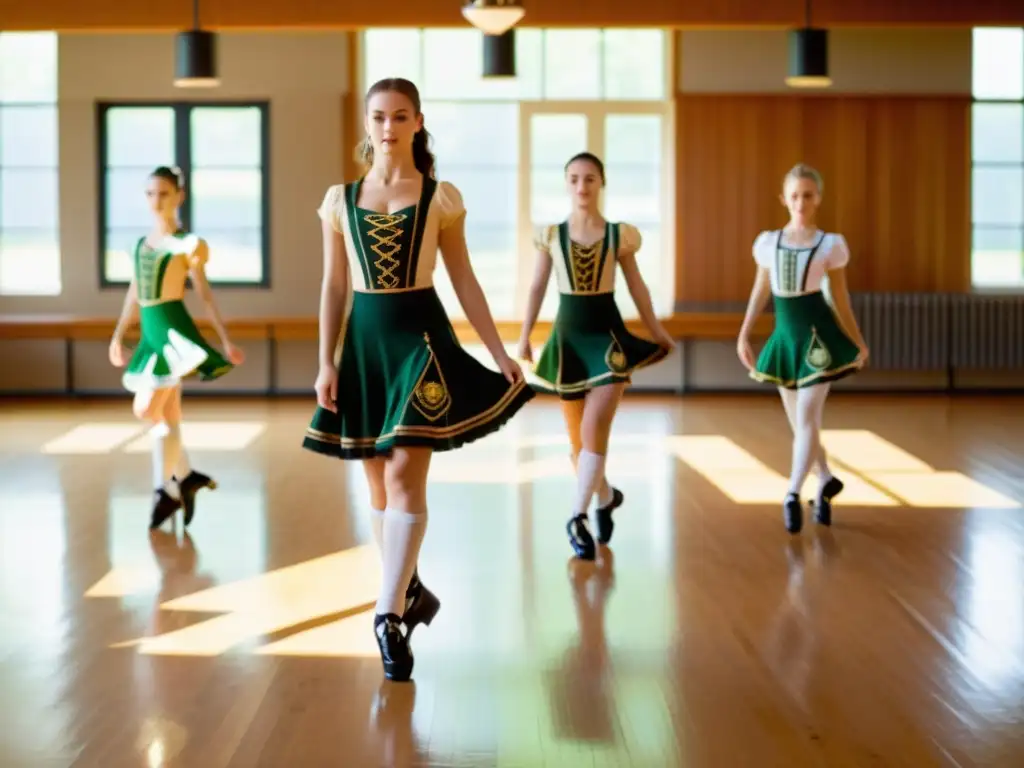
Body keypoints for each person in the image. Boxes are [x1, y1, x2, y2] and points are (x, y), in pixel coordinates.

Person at [302, 77, 534, 682]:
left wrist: (498, 351)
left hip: (423, 340)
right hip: (364, 345)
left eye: (400, 116)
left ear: (417, 122)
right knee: (378, 489)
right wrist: (326, 360)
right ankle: (407, 591)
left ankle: (387, 616)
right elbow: (332, 286)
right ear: (367, 122)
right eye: (378, 116)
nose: (387, 127)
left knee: (405, 469)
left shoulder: (439, 198)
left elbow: (464, 280)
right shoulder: (338, 200)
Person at [517, 152, 673, 561]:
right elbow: (536, 286)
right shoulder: (551, 235)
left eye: (589, 179)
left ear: (601, 183)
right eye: (574, 179)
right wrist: (524, 336)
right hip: (567, 339)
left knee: (595, 429)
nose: (582, 187)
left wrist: (656, 332)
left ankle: (576, 516)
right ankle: (605, 496)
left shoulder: (619, 235)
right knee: (578, 444)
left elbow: (637, 287)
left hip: (608, 338)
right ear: (566, 184)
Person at [108, 166, 245, 531]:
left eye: (164, 194)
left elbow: (204, 294)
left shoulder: (189, 243)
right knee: (166, 416)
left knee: (146, 409)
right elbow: (134, 294)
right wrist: (119, 334)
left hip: (173, 331)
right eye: (150, 194)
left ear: (178, 196)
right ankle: (182, 479)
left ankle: (171, 484)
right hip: (150, 334)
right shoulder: (139, 244)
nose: (156, 201)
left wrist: (224, 338)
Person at [736, 163, 869, 534]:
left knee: (809, 417)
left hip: (819, 338)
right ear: (784, 199)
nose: (800, 202)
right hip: (785, 337)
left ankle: (792, 493)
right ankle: (825, 478)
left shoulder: (829, 244)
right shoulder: (768, 242)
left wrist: (857, 340)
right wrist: (745, 333)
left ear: (818, 199)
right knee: (800, 425)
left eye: (807, 195)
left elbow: (840, 298)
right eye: (794, 195)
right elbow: (760, 289)